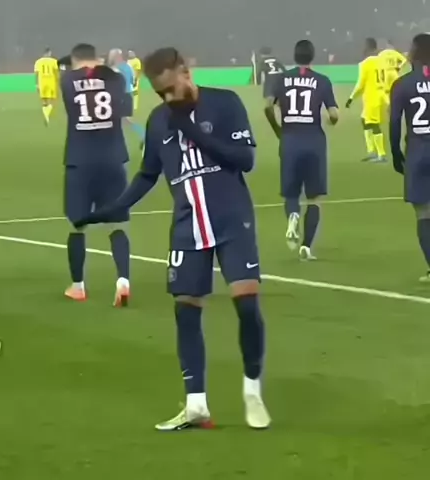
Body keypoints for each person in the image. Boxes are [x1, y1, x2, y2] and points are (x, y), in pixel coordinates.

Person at [75, 47, 270, 431]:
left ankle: (252, 390)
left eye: (170, 89)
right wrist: (113, 208)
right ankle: (196, 404)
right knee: (186, 312)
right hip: (187, 225)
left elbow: (244, 159)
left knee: (247, 306)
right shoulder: (159, 120)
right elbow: (148, 174)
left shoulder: (225, 103)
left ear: (185, 72)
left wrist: (193, 131)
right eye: (159, 93)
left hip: (232, 219)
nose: (167, 98)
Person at [60, 43, 131, 305]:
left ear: (75, 60)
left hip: (80, 161)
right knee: (116, 225)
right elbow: (125, 106)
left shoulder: (67, 81)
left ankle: (78, 286)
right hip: (113, 159)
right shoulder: (115, 79)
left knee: (77, 225)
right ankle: (123, 281)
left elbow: (78, 76)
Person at [264, 40, 338, 260]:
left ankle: (293, 216)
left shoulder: (280, 79)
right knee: (314, 198)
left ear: (294, 56)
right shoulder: (322, 81)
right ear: (312, 56)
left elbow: (268, 106)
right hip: (314, 141)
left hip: (290, 140)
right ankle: (306, 246)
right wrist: (331, 120)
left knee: (291, 193)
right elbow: (334, 114)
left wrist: (278, 129)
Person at [389, 33, 430, 282]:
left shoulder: (403, 84)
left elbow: (395, 123)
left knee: (423, 213)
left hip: (418, 151)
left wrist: (396, 154)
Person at [346, 38, 387, 163]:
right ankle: (372, 151)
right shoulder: (382, 61)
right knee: (365, 121)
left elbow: (360, 85)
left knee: (374, 124)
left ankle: (381, 154)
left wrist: (351, 98)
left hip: (371, 99)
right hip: (381, 96)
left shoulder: (365, 64)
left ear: (367, 48)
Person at [108, 48, 145, 143]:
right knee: (123, 121)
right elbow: (132, 79)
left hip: (120, 96)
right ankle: (142, 135)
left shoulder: (115, 69)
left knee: (121, 121)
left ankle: (143, 135)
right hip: (128, 95)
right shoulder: (128, 67)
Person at [34, 48, 59, 125]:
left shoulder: (38, 62)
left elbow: (36, 73)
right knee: (53, 100)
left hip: (42, 82)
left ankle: (46, 115)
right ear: (49, 53)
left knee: (44, 100)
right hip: (51, 82)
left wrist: (36, 84)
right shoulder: (54, 61)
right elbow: (56, 72)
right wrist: (58, 81)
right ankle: (47, 114)